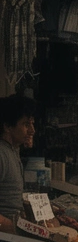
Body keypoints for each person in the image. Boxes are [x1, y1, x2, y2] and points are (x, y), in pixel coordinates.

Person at [0, 95, 37, 230]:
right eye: (26, 124)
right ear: (8, 127)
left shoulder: (12, 151)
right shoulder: (2, 154)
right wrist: (12, 227)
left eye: (32, 124)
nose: (32, 130)